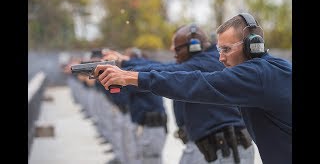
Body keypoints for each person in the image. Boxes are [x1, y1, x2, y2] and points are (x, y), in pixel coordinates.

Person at [94, 13, 292, 164]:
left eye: (226, 49)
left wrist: (129, 76)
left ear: (252, 45)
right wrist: (128, 66)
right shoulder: (275, 68)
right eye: (219, 49)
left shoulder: (256, 75)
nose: (221, 58)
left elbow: (195, 83)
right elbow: (173, 71)